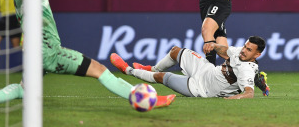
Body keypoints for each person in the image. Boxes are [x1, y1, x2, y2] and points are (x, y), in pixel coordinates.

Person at [0, 0, 175, 109]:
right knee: (100, 70)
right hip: (50, 53)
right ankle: (146, 100)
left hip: (33, 53)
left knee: (24, 89)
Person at [110, 36, 270, 99]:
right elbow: (226, 51)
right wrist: (214, 45)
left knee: (163, 78)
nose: (243, 50)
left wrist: (233, 98)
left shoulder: (247, 69)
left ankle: (127, 70)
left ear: (257, 55)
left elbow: (249, 93)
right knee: (175, 51)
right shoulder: (239, 52)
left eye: (249, 50)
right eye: (245, 46)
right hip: (206, 70)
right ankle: (151, 69)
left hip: (202, 88)